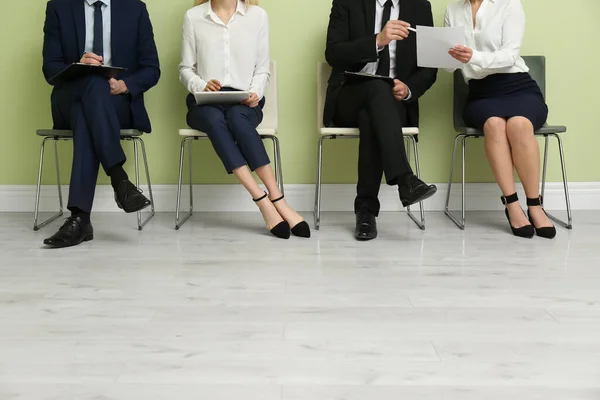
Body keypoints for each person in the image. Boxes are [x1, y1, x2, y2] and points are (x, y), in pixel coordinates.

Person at [179, 0, 310, 239]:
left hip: (244, 101)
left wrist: (254, 93)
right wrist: (202, 85)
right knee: (213, 119)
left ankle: (277, 198)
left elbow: (262, 69)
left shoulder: (257, 16)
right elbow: (186, 69)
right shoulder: (193, 17)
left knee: (238, 121)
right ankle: (263, 201)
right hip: (206, 101)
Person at [41, 0, 161, 248]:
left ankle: (79, 218)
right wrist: (79, 65)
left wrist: (125, 85)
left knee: (90, 110)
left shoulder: (134, 8)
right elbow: (50, 69)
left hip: (115, 101)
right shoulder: (59, 7)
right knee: (92, 85)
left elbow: (152, 68)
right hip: (70, 98)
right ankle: (119, 179)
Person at [324, 0, 438, 241]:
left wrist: (408, 89)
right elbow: (333, 53)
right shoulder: (347, 3)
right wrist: (377, 41)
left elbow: (429, 68)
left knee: (372, 115)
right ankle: (405, 178)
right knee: (376, 86)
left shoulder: (420, 7)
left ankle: (366, 213)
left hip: (393, 103)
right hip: (349, 97)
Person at [445, 0, 555, 239]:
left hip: (518, 86)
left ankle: (535, 205)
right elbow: (448, 65)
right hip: (480, 93)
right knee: (494, 125)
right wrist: (444, 55)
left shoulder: (510, 5)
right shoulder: (452, 11)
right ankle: (512, 204)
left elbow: (509, 55)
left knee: (519, 124)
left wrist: (473, 56)